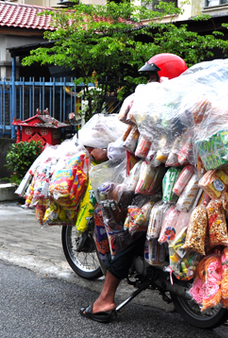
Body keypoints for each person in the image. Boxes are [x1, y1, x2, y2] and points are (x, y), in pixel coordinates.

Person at [79, 53, 188, 323]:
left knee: (130, 234)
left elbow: (135, 144)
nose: (149, 83)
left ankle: (105, 299)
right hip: (178, 186)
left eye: (152, 77)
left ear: (165, 77)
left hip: (158, 188)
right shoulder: (184, 104)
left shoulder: (164, 108)